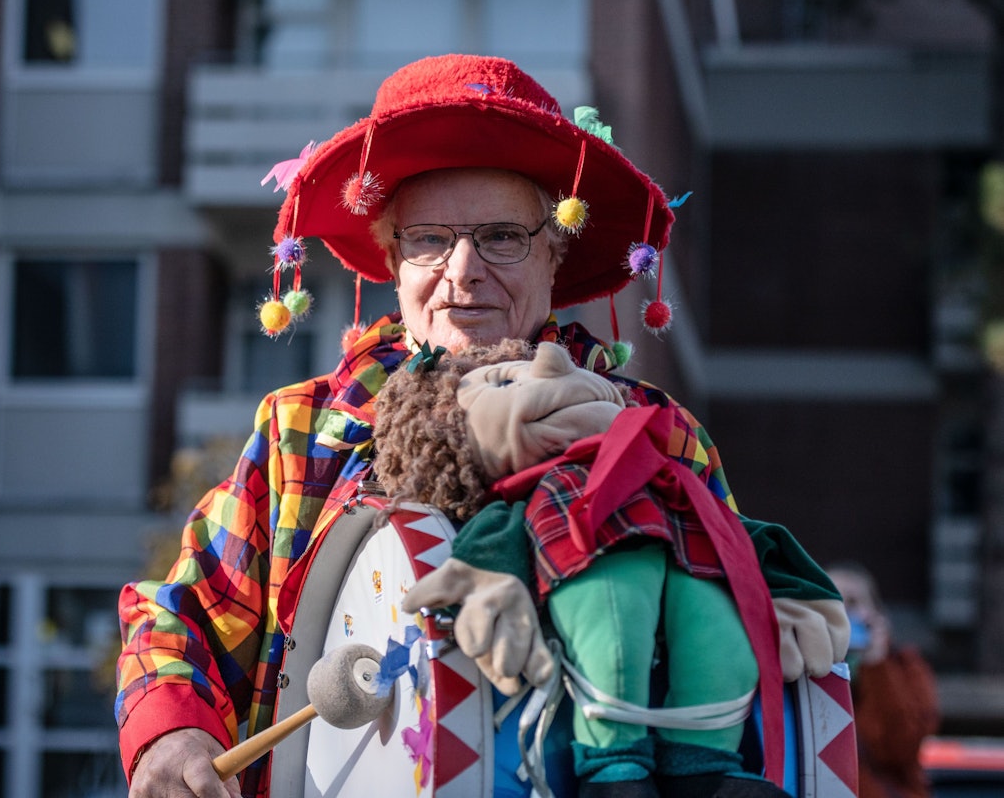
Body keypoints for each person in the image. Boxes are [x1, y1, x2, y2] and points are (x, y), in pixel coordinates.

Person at [115, 54, 846, 798]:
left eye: (501, 236)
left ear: (554, 254)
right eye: (429, 238)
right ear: (393, 258)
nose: (462, 271)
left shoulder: (650, 431)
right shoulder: (300, 428)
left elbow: (725, 629)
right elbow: (186, 616)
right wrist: (171, 731)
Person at [372, 339, 846, 797]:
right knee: (611, 639)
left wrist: (793, 590)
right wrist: (488, 576)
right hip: (591, 571)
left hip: (693, 563)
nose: (556, 364)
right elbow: (497, 539)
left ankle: (703, 768)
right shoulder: (531, 495)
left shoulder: (671, 466)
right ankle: (612, 769)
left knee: (719, 641)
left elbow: (746, 538)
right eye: (502, 383)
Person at [826, 564, 939, 798]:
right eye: (833, 601)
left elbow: (898, 747)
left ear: (877, 613)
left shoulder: (906, 668)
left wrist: (877, 664)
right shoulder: (804, 669)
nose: (844, 611)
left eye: (854, 602)